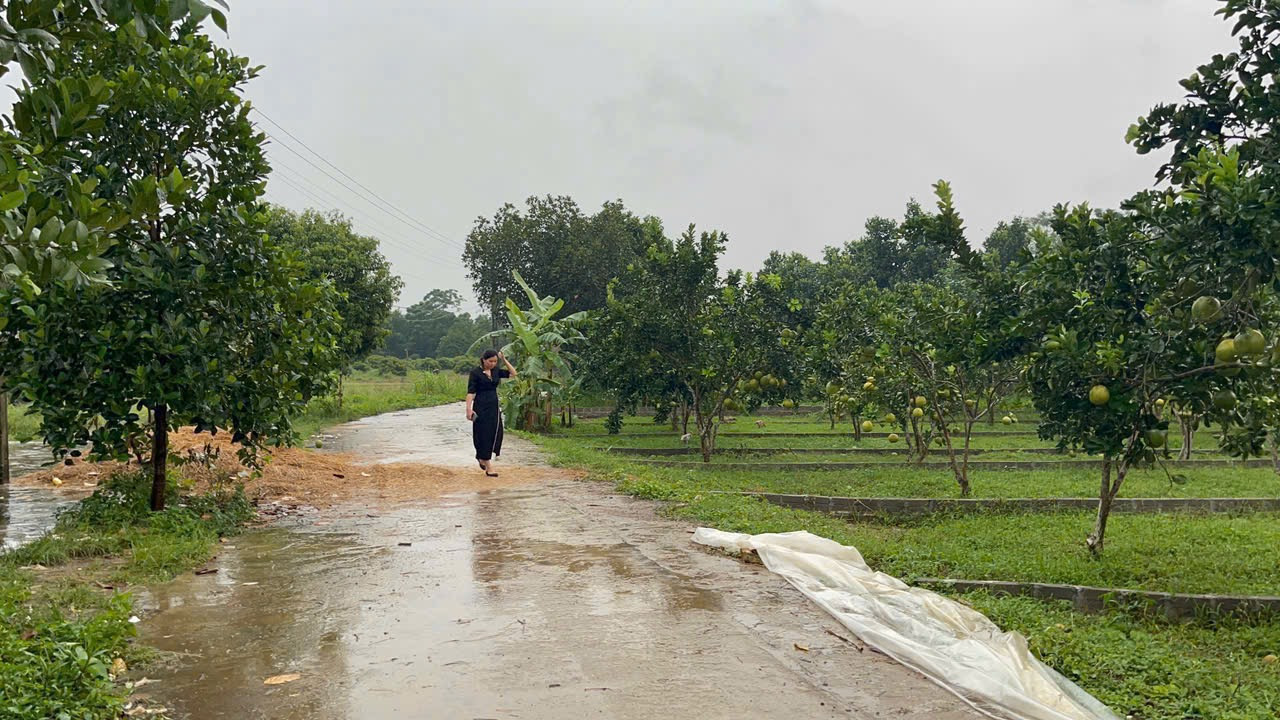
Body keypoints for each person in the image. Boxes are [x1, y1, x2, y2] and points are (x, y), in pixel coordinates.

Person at [466, 349, 517, 476]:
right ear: (484, 359)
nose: (493, 364)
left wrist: (504, 360)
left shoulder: (496, 371)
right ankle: (489, 466)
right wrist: (468, 408)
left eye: (495, 361)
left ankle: (482, 457)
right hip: (480, 406)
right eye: (490, 361)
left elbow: (513, 374)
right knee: (483, 433)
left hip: (493, 405)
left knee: (495, 432)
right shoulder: (475, 373)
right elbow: (471, 392)